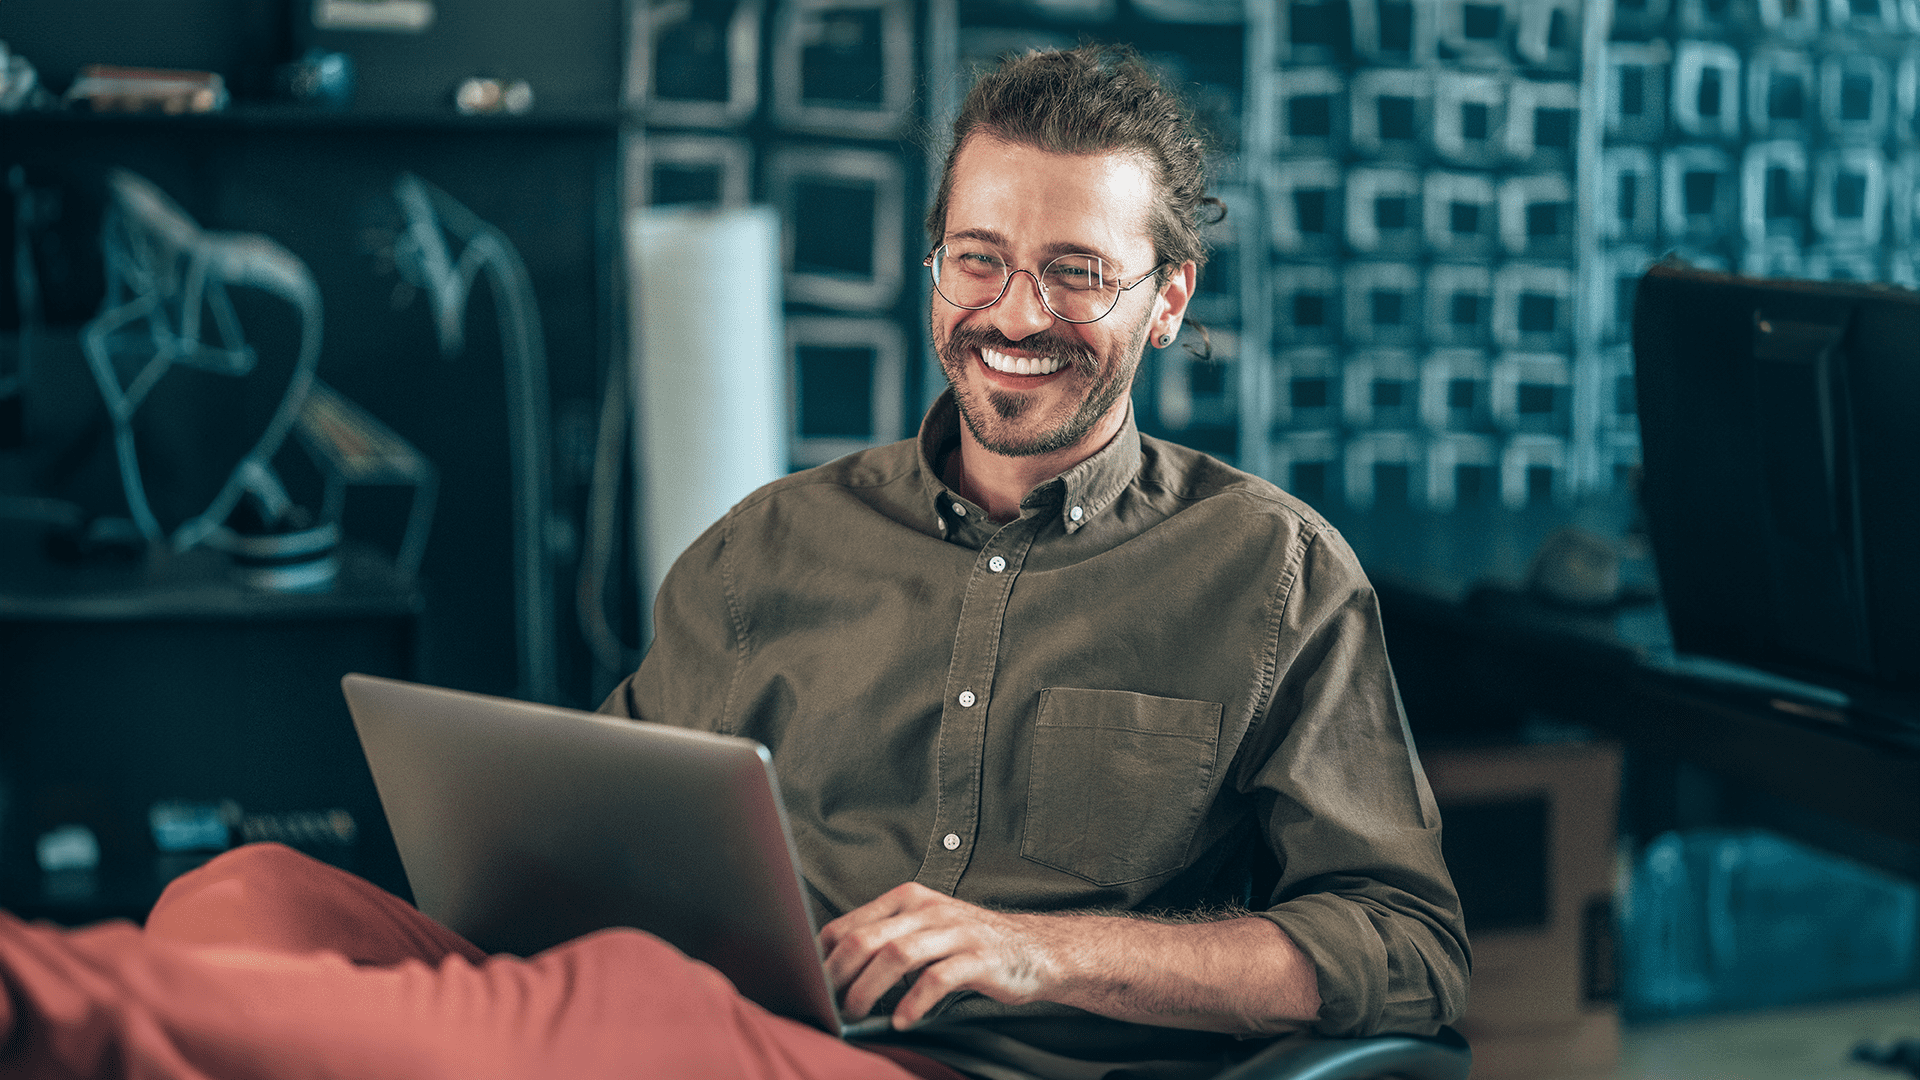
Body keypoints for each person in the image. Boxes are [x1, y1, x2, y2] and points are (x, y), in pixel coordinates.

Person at [0, 44, 1465, 1080]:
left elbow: (1405, 948)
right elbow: (594, 845)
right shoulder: (774, 544)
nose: (1015, 310)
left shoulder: (1273, 573)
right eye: (978, 256)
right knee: (249, 897)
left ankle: (37, 1001)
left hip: (924, 1069)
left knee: (613, 1011)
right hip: (696, 1013)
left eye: (1078, 271)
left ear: (1167, 301)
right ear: (934, 262)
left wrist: (1046, 953)